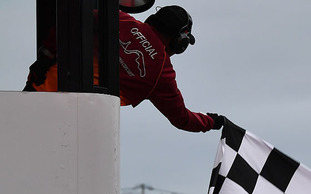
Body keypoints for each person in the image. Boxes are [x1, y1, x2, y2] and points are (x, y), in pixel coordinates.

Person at [24, 5, 224, 133]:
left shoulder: (119, 18)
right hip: (77, 125)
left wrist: (48, 53)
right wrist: (212, 121)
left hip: (37, 94)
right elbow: (182, 118)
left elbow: (70, 19)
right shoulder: (162, 74)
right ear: (180, 41)